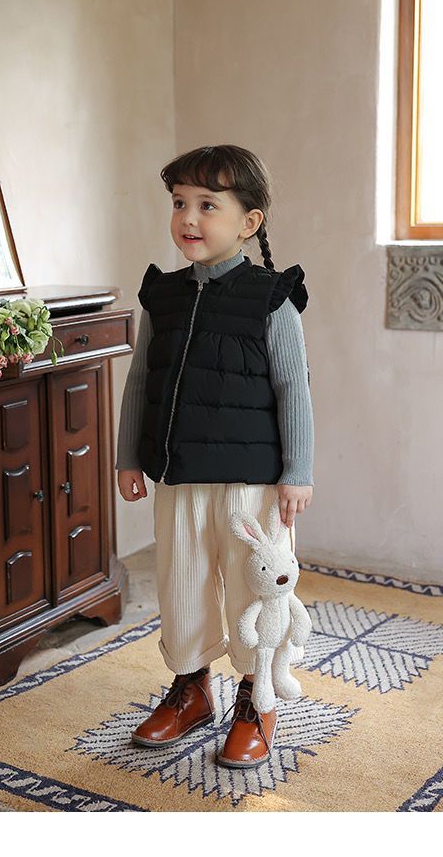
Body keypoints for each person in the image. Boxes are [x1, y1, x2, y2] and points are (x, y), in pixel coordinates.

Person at [115, 144, 314, 768]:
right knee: (182, 584)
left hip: (252, 485)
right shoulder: (163, 296)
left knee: (253, 595)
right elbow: (140, 382)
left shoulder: (271, 299)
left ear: (249, 221)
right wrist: (127, 457)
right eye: (180, 203)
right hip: (179, 477)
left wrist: (298, 472)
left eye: (207, 205)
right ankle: (192, 687)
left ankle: (257, 700)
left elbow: (294, 388)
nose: (188, 218)